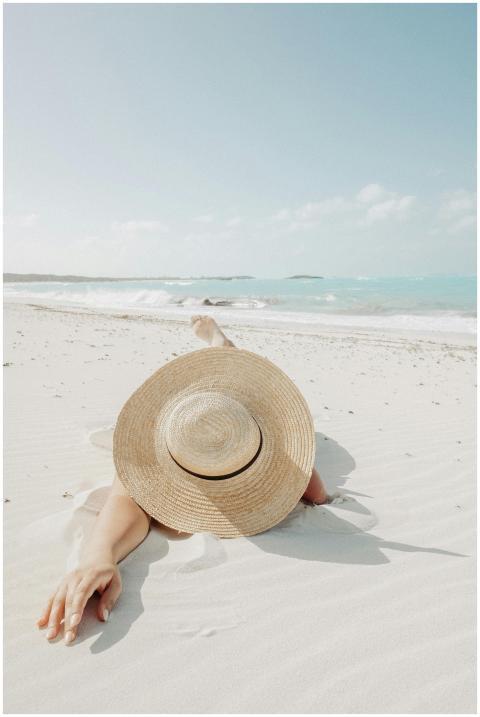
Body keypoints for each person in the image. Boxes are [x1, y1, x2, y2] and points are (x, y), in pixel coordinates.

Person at [37, 316, 330, 645]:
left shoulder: (247, 429)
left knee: (231, 361)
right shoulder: (159, 441)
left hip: (232, 408)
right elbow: (126, 499)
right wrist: (99, 556)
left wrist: (287, 465)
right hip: (185, 410)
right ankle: (217, 341)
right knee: (225, 368)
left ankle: (218, 339)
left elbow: (315, 491)